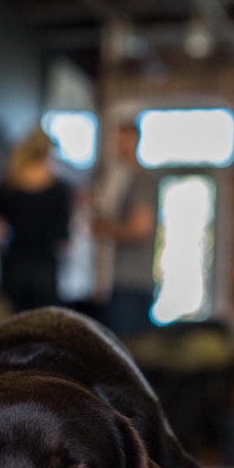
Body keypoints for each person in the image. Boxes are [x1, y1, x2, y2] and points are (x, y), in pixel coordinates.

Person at [0, 129, 73, 312]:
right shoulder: (59, 190)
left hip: (14, 264)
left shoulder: (8, 186)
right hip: (44, 265)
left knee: (14, 324)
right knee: (45, 324)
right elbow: (64, 241)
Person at [92, 122, 159, 336]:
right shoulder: (118, 180)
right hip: (117, 281)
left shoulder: (142, 181)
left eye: (123, 141)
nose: (119, 147)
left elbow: (140, 229)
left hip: (133, 283)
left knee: (127, 350)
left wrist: (104, 229)